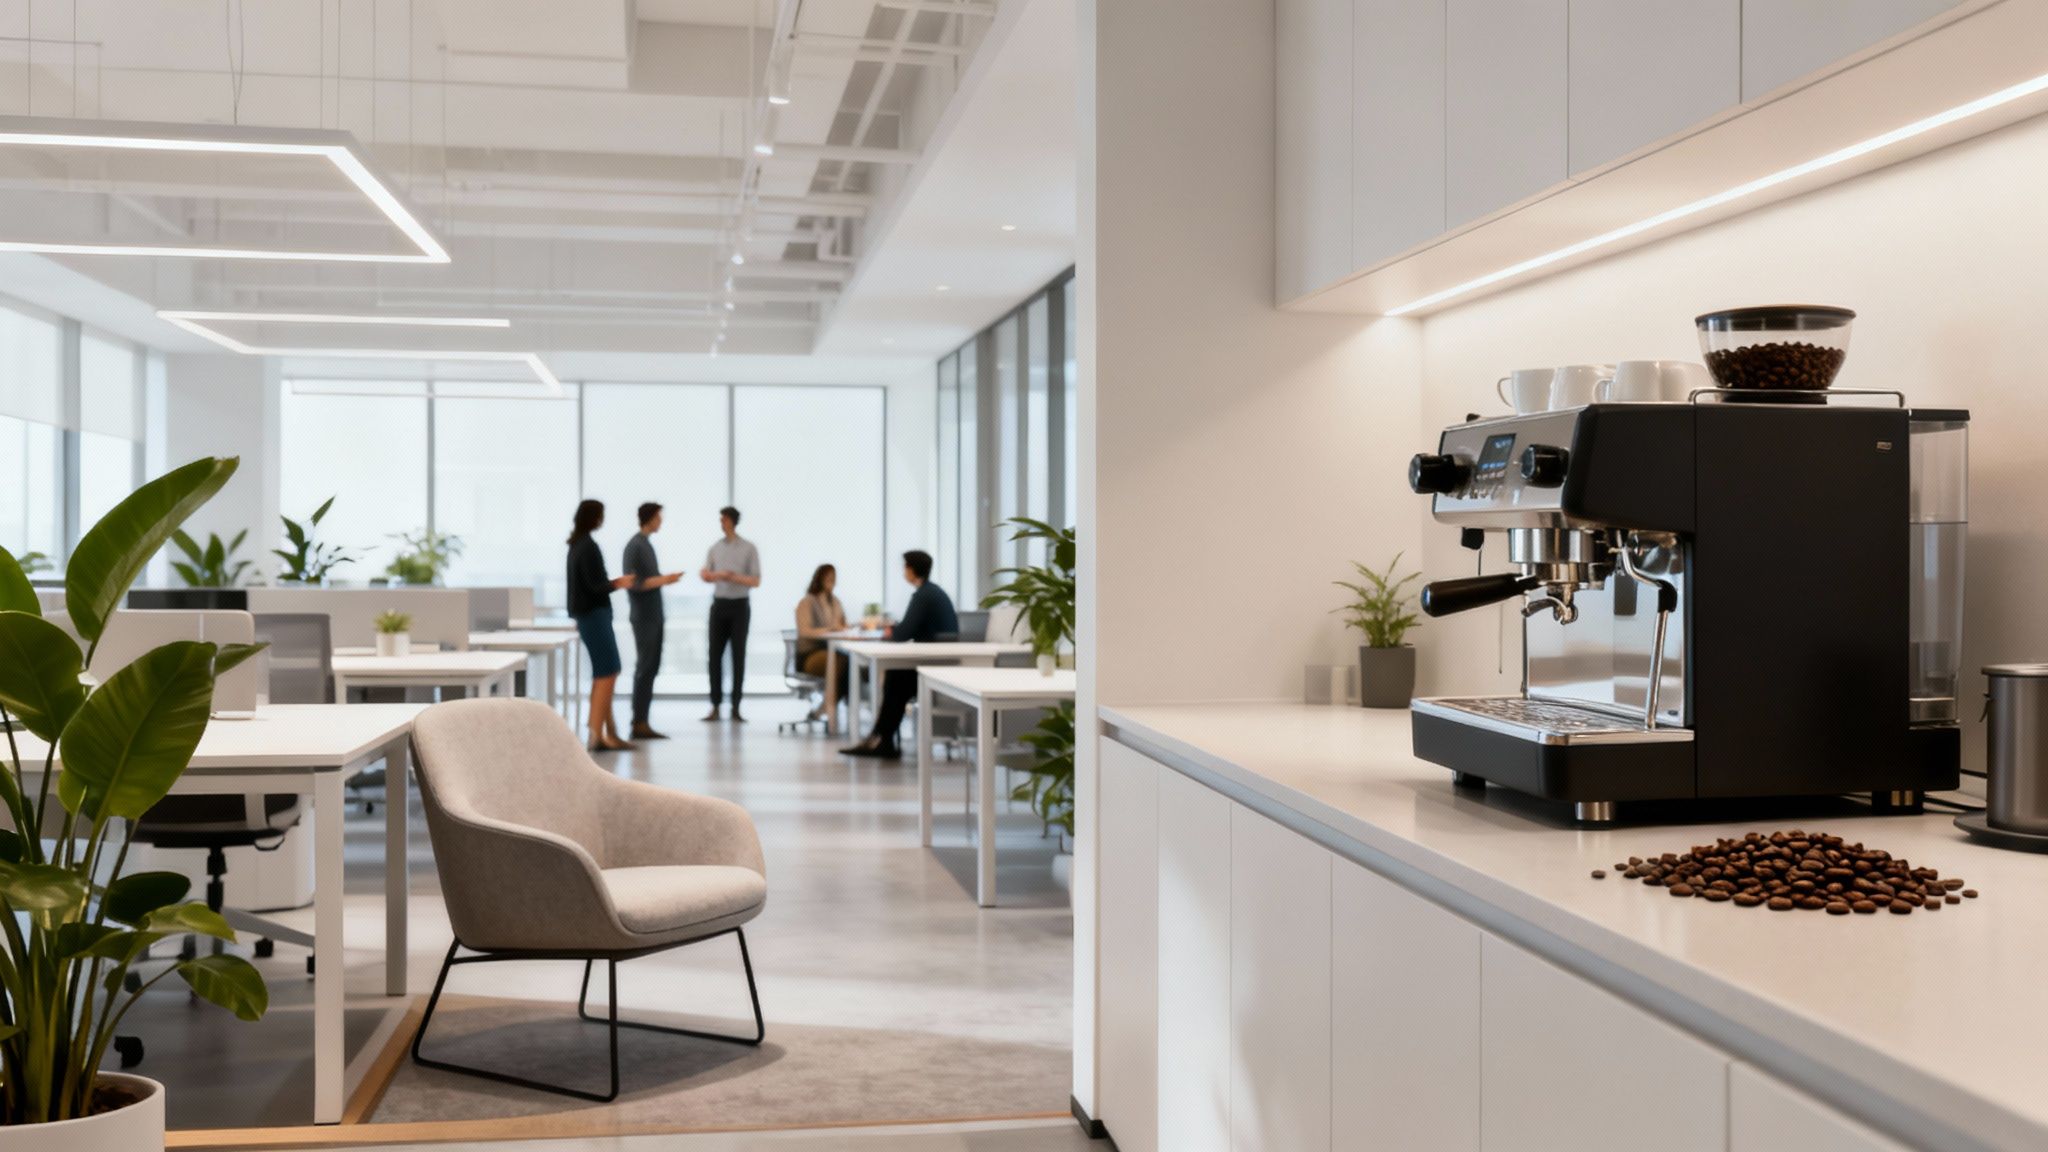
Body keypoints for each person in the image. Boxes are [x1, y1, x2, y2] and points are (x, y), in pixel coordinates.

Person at [843, 550, 957, 759]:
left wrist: (890, 632)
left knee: (896, 678)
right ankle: (882, 739)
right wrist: (895, 629)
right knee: (897, 676)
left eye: (905, 567)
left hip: (937, 668)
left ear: (912, 569)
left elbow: (903, 633)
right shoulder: (931, 592)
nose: (904, 571)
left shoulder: (923, 595)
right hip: (942, 662)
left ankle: (881, 739)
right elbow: (910, 628)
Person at [565, 499, 637, 752]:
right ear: (594, 517)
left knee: (603, 672)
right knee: (608, 670)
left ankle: (608, 733)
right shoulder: (588, 547)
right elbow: (596, 586)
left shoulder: (577, 545)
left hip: (588, 615)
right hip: (594, 614)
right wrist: (619, 583)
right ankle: (596, 734)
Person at [622, 502, 684, 740]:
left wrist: (663, 580)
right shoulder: (635, 546)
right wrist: (665, 580)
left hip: (654, 615)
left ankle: (643, 721)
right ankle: (638, 722)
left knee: (651, 666)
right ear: (649, 518)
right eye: (659, 517)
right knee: (645, 667)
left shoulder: (646, 544)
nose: (661, 521)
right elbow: (634, 583)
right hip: (644, 616)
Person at [699, 505, 761, 722]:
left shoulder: (749, 548)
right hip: (719, 605)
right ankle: (715, 706)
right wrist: (711, 575)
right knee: (714, 656)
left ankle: (736, 707)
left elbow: (755, 580)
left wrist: (733, 577)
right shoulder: (715, 548)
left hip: (739, 606)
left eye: (724, 520)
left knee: (738, 657)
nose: (721, 523)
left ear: (733, 521)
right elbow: (706, 574)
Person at [796, 563, 851, 720]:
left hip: (832, 651)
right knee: (840, 661)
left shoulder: (836, 601)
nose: (831, 581)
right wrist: (829, 629)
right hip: (809, 655)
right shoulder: (807, 602)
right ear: (819, 578)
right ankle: (826, 708)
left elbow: (843, 625)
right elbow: (804, 631)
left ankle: (826, 708)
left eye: (833, 578)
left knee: (849, 662)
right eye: (828, 577)